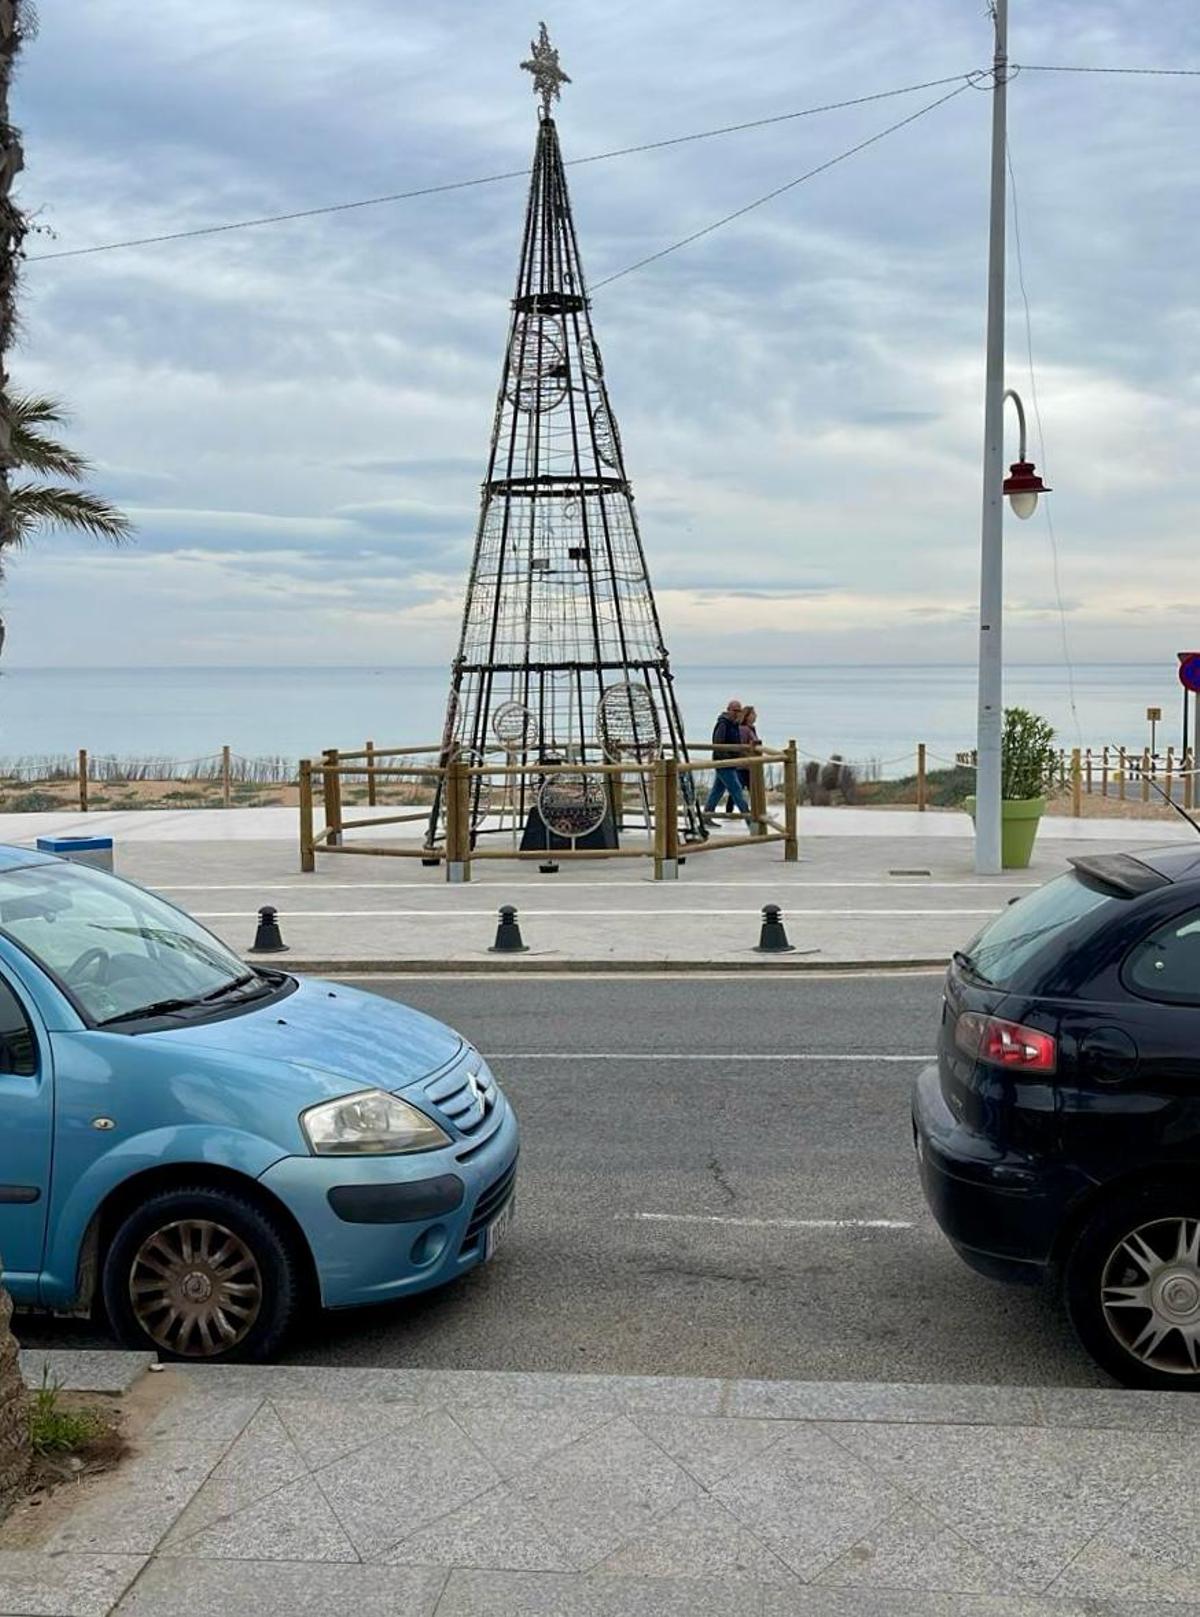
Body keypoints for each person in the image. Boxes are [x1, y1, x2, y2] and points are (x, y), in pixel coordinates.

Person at [703, 699, 751, 824]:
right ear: (728, 710)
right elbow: (718, 743)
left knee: (717, 791)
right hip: (724, 763)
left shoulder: (734, 725)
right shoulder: (723, 724)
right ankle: (750, 820)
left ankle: (706, 817)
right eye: (735, 710)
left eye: (739, 710)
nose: (737, 713)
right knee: (737, 791)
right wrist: (727, 759)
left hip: (730, 763)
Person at [725, 703, 760, 810]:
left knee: (739, 789)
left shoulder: (750, 728)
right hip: (743, 765)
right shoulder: (744, 729)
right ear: (747, 716)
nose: (755, 716)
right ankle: (754, 811)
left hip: (747, 764)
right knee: (742, 789)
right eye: (753, 714)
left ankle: (731, 811)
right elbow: (744, 745)